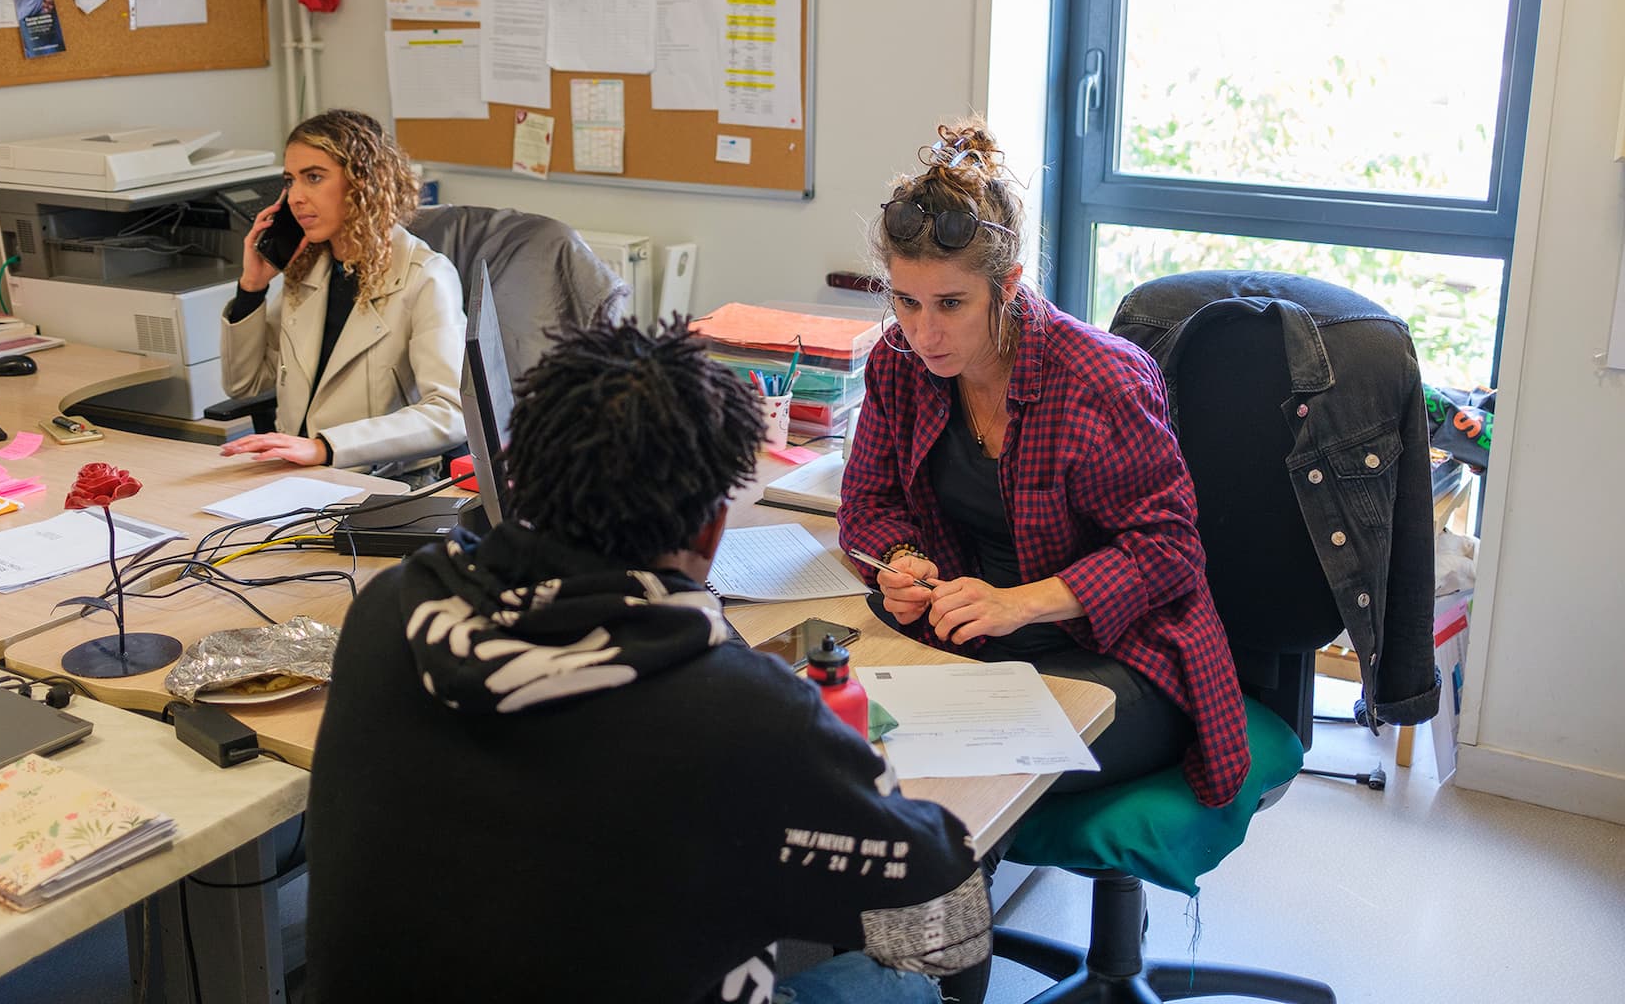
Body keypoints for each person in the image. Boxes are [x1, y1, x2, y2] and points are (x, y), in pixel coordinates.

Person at [306, 320, 991, 1003]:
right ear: (712, 529)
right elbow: (948, 929)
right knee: (906, 984)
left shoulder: (393, 610)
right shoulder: (738, 711)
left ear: (519, 478)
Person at [838, 119, 1250, 809]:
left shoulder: (1100, 379)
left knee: (947, 770)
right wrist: (901, 562)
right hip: (975, 640)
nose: (924, 332)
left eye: (951, 304)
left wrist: (1019, 603)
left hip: (1117, 652)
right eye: (906, 302)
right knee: (845, 735)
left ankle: (957, 872)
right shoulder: (898, 363)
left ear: (1007, 285)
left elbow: (1169, 550)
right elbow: (868, 503)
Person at [219, 109, 465, 474]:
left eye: (313, 178)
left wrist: (325, 447)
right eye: (290, 181)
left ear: (363, 182)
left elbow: (451, 412)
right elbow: (245, 385)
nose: (295, 197)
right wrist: (252, 288)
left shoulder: (425, 276)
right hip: (296, 473)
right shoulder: (307, 269)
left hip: (385, 481)